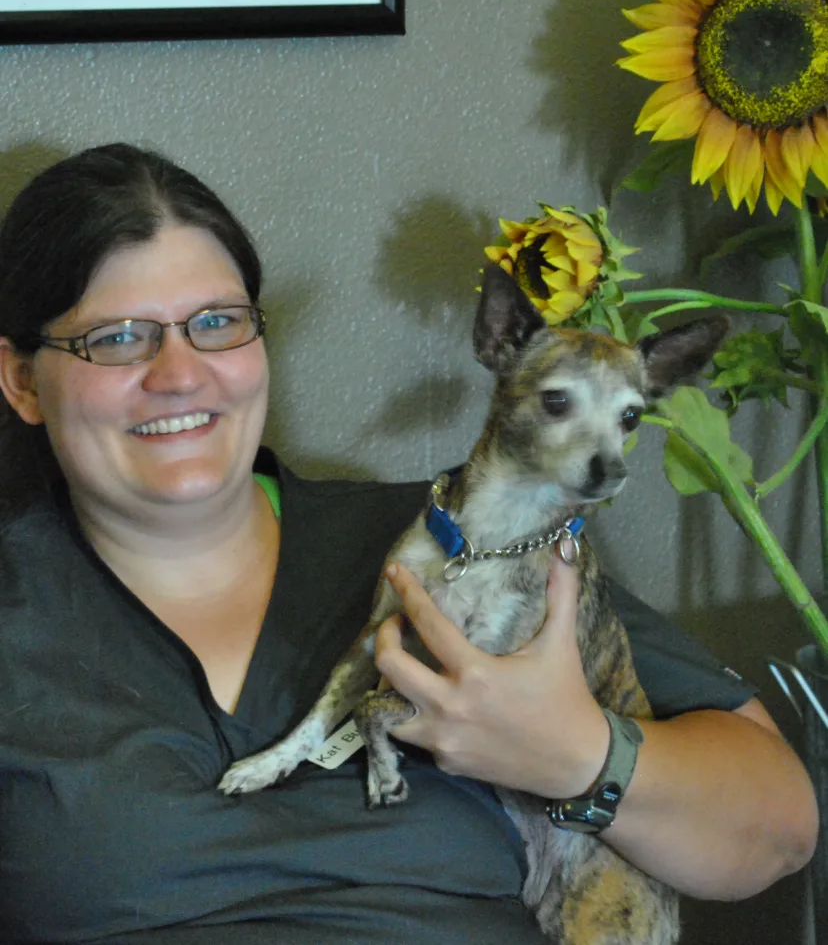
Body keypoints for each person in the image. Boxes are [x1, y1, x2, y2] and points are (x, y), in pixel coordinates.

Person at [0, 143, 817, 945]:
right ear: (24, 381)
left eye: (217, 322)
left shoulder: (467, 539)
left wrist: (577, 757)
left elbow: (779, 826)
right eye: (115, 338)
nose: (180, 373)